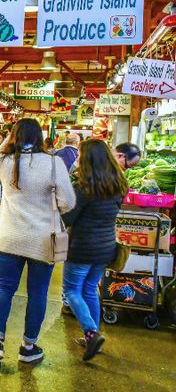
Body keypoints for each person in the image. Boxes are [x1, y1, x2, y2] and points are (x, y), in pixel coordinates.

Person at [0, 118, 76, 366]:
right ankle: (28, 347)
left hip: (9, 237)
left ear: (13, 136)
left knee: (3, 288)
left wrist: (11, 138)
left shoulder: (5, 162)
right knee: (38, 293)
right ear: (40, 137)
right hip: (42, 240)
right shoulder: (55, 164)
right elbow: (68, 203)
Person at [62, 140, 127, 361]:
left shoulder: (84, 187)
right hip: (106, 247)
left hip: (82, 248)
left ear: (87, 159)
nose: (77, 159)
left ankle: (91, 332)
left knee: (72, 291)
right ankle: (93, 337)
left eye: (80, 155)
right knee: (90, 289)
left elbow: (69, 218)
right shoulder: (118, 183)